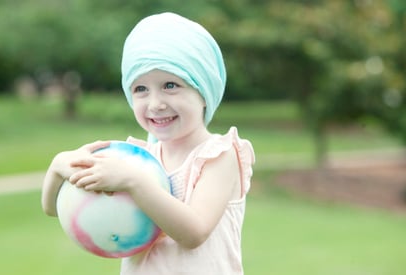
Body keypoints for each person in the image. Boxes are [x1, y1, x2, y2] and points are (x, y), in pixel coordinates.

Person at [41, 12, 255, 275]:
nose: (155, 104)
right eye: (140, 89)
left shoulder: (219, 156)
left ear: (204, 91)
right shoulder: (136, 159)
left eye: (170, 85)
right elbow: (53, 207)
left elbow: (194, 233)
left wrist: (134, 181)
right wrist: (58, 168)